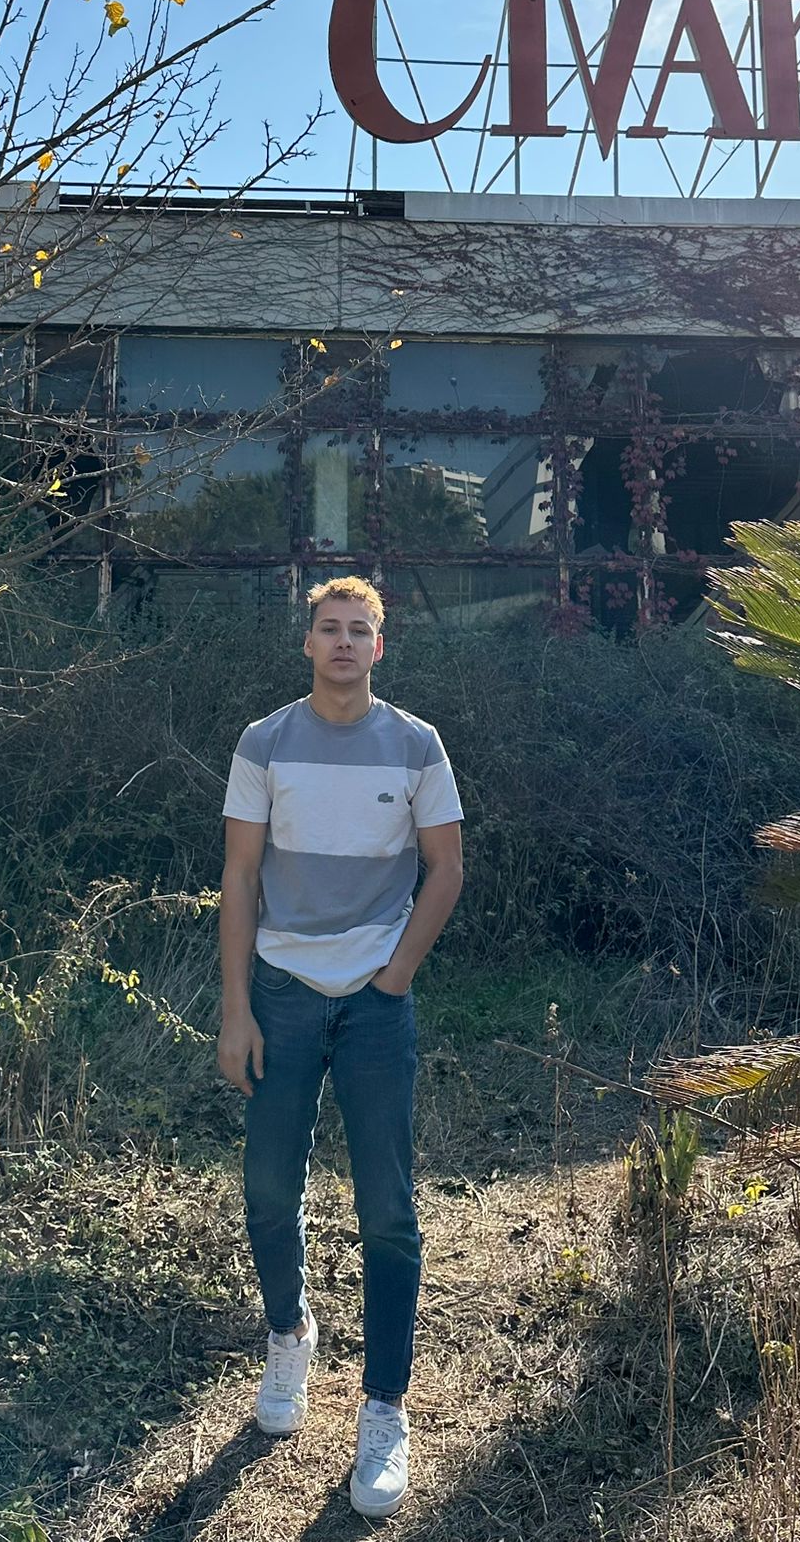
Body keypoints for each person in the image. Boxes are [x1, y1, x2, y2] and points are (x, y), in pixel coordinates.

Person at [217, 575, 465, 1518]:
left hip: (374, 1006)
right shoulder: (264, 742)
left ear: (380, 647)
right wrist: (235, 1010)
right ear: (309, 642)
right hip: (280, 995)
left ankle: (383, 1409)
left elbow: (446, 869)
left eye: (361, 629)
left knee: (388, 1210)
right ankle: (290, 1335)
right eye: (331, 628)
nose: (345, 642)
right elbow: (240, 877)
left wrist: (394, 977)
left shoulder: (417, 745)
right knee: (266, 1189)